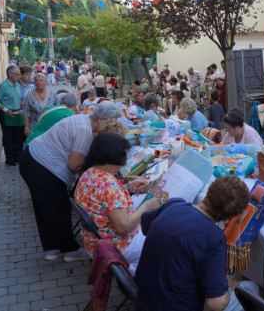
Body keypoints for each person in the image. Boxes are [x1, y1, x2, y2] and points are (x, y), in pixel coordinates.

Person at [19, 101, 122, 262]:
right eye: (113, 121)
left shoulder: (81, 120)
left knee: (44, 208)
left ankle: (52, 249)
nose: (114, 125)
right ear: (101, 119)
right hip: (42, 166)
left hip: (32, 160)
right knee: (58, 208)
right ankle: (70, 249)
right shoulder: (84, 130)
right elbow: (74, 165)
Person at [134, 176, 250, 311]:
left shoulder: (174, 204)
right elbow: (216, 304)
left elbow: (145, 224)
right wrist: (228, 287)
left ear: (207, 194)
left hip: (142, 298)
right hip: (174, 306)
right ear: (233, 216)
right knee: (246, 292)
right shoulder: (214, 237)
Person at [74, 133, 158, 273]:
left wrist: (128, 187)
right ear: (113, 159)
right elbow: (123, 227)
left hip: (93, 240)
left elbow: (102, 201)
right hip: (113, 247)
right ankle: (137, 275)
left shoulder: (89, 173)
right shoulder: (109, 185)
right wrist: (146, 206)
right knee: (161, 240)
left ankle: (133, 269)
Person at [0, 65, 23, 166]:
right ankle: (9, 159)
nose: (19, 76)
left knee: (18, 136)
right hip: (6, 114)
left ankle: (18, 157)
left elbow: (16, 99)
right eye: (17, 74)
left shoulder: (17, 85)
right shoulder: (3, 86)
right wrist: (5, 109)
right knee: (8, 137)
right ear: (10, 74)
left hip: (17, 113)